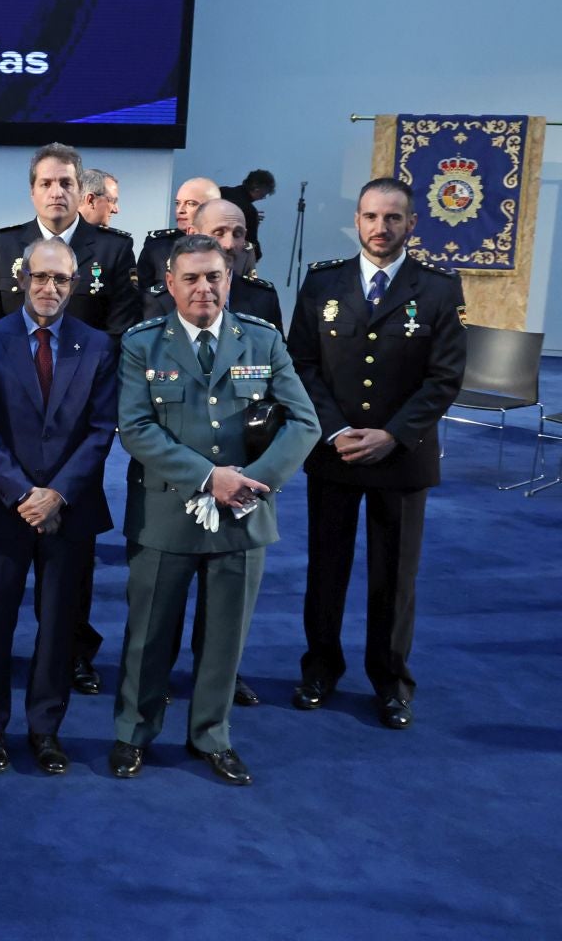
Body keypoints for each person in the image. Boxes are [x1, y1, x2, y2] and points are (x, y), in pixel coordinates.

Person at [110, 234, 319, 786]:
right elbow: (134, 427)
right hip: (166, 514)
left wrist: (252, 484)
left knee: (225, 638)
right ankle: (133, 733)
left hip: (245, 514)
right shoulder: (142, 344)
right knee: (149, 636)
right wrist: (208, 478)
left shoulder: (262, 340)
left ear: (229, 280)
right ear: (170, 284)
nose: (204, 288)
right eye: (192, 278)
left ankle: (212, 735)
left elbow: (305, 423)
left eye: (215, 277)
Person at [289, 177, 466, 730]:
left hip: (402, 457)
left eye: (393, 218)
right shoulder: (323, 284)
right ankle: (320, 667)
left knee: (394, 575)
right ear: (357, 221)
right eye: (370, 217)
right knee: (327, 568)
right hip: (335, 454)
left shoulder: (437, 289)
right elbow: (302, 365)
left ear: (412, 224)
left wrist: (392, 434)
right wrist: (336, 429)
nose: (380, 228)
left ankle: (391, 680)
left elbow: (445, 378)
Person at [0, 142, 139, 694]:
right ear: (33, 189)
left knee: (70, 586)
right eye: (47, 182)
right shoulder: (2, 246)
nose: (58, 191)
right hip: (8, 451)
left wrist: (59, 486)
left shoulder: (112, 250)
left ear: (81, 189)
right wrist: (19, 486)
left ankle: (74, 653)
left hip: (75, 448)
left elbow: (117, 335)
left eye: (67, 182)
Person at [0, 239, 117, 776]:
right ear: (22, 278)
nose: (49, 289)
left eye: (62, 281)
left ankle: (46, 730)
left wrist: (57, 493)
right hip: (2, 507)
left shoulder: (96, 345)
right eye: (40, 278)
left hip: (70, 510)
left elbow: (101, 430)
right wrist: (24, 494)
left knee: (58, 627)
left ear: (74, 285)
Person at [142, 199, 282, 330]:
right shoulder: (161, 300)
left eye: (237, 234)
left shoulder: (263, 298)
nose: (229, 244)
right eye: (219, 232)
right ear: (193, 234)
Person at [136, 176, 222, 293]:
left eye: (191, 204)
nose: (180, 210)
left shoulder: (236, 249)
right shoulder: (157, 246)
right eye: (177, 203)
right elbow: (140, 295)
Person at [220, 169, 276, 258]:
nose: (264, 197)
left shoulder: (221, 191)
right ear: (257, 188)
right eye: (265, 193)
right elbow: (251, 246)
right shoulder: (249, 212)